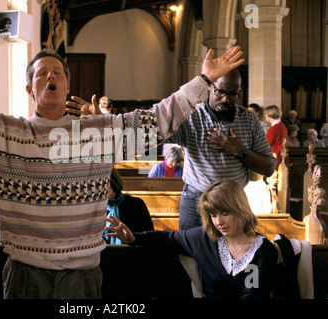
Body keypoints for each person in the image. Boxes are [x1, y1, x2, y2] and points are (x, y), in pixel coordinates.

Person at [0, 6, 245, 298]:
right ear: (30, 89)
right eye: (41, 73)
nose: (49, 76)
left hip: (82, 275)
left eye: (57, 72)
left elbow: (157, 121)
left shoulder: (98, 135)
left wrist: (204, 81)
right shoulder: (4, 133)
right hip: (24, 273)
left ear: (68, 84)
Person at [105, 180, 278, 299]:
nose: (219, 222)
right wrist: (134, 238)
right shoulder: (204, 238)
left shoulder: (261, 251)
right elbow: (167, 237)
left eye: (225, 214)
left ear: (241, 210)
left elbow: (252, 294)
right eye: (213, 215)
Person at [164, 68, 276, 231]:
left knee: (234, 254)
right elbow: (153, 136)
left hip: (233, 202)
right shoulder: (191, 116)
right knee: (190, 252)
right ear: (209, 86)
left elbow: (269, 168)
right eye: (221, 92)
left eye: (233, 94)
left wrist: (240, 151)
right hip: (196, 200)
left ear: (240, 91)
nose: (225, 99)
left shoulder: (249, 120)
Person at [103, 169, 154, 244]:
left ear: (113, 181)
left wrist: (131, 238)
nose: (101, 188)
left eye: (105, 182)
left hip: (132, 252)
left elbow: (149, 237)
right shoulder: (94, 208)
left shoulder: (136, 204)